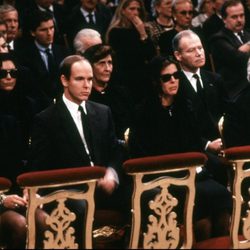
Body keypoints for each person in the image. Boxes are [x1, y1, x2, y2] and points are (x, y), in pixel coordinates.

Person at [28, 55, 128, 247]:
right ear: (64, 80)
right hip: (69, 191)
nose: (87, 85)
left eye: (90, 79)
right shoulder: (46, 119)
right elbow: (38, 166)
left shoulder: (103, 111)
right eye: (79, 79)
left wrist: (112, 173)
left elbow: (115, 151)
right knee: (80, 206)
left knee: (147, 194)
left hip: (103, 187)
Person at [128, 56, 232, 241]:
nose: (173, 80)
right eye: (166, 77)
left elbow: (194, 143)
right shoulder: (143, 113)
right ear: (155, 82)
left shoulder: (185, 105)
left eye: (176, 75)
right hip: (163, 176)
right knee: (202, 213)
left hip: (192, 172)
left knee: (221, 198)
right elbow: (141, 153)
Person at [173, 29, 229, 187]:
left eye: (200, 48)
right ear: (178, 56)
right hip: (192, 148)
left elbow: (228, 114)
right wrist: (207, 145)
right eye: (191, 50)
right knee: (217, 167)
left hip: (222, 144)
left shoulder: (215, 79)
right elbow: (178, 126)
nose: (199, 53)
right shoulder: (174, 84)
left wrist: (225, 140)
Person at [106, 0, 156, 105]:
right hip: (125, 80)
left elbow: (151, 55)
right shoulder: (115, 32)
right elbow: (129, 57)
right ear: (123, 11)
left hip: (143, 80)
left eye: (138, 9)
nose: (136, 13)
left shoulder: (143, 30)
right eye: (132, 9)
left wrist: (142, 33)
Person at [18, 10, 69, 108]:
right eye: (43, 30)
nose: (49, 33)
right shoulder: (24, 56)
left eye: (51, 28)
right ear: (33, 32)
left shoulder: (63, 51)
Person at [83, 44, 133, 143]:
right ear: (90, 67)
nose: (108, 68)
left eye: (110, 63)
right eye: (102, 63)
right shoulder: (85, 97)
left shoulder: (122, 93)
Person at [210, 0, 250, 101]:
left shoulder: (247, 34)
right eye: (234, 17)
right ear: (224, 19)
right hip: (236, 92)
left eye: (242, 15)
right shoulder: (218, 39)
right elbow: (239, 58)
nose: (239, 20)